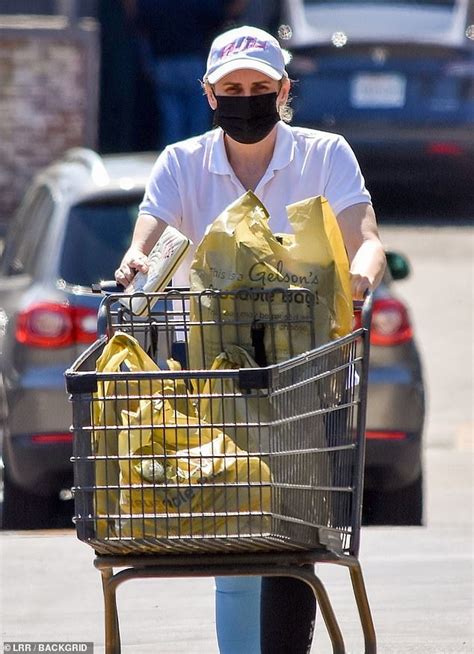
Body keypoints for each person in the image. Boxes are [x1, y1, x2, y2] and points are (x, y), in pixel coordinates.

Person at [115, 24, 386, 654]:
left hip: (307, 377)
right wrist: (135, 264)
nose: (246, 97)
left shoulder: (324, 155)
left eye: (259, 86)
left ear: (284, 89)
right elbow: (146, 241)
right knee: (232, 529)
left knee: (291, 537)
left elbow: (366, 241)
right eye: (232, 87)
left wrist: (359, 284)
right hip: (213, 380)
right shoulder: (182, 164)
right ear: (209, 95)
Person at [122, 0, 248, 148]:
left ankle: (173, 159)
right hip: (192, 62)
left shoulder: (155, 4)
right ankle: (198, 158)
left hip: (164, 62)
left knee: (171, 120)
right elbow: (219, 17)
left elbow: (139, 19)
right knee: (197, 118)